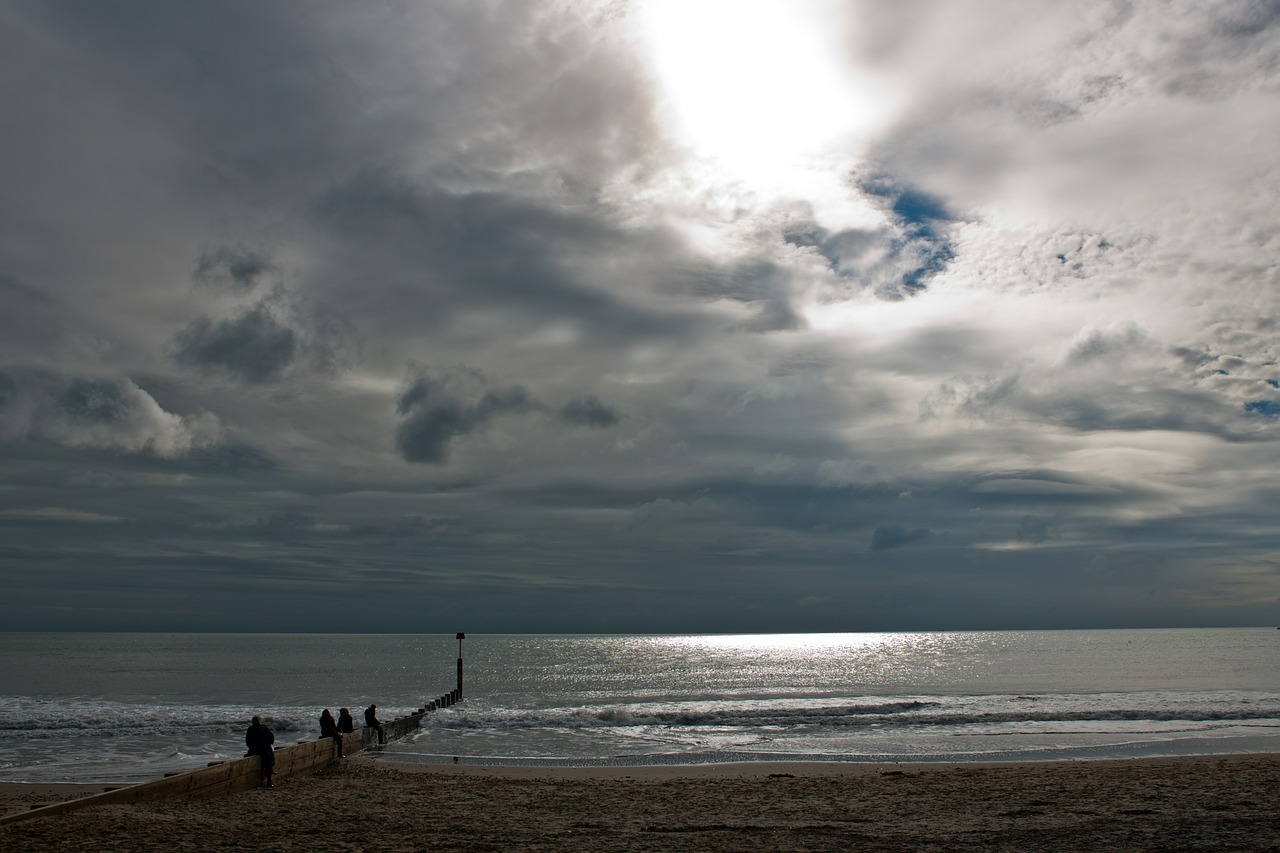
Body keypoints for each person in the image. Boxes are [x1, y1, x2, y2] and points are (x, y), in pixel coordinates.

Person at [245, 714, 276, 788]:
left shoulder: (250, 729)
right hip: (264, 750)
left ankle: (268, 772)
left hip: (253, 750)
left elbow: (247, 742)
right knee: (269, 759)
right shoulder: (264, 728)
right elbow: (271, 739)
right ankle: (269, 781)